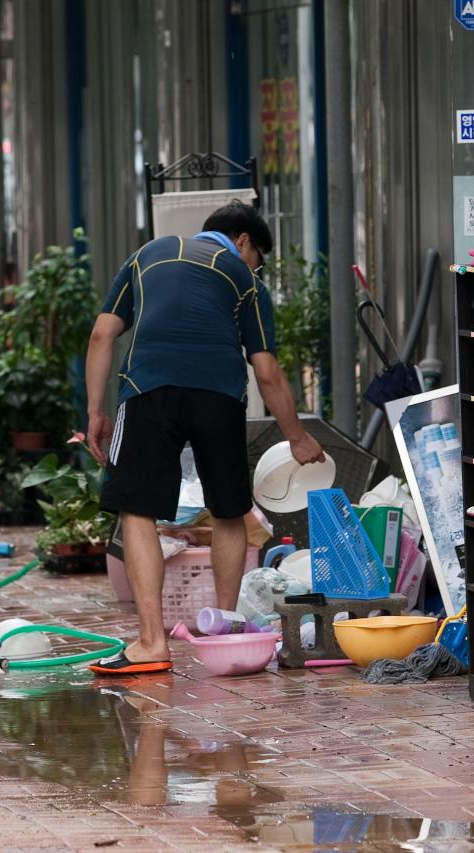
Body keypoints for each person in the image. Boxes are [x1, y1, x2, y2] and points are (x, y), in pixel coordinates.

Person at [84, 201, 324, 675]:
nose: (257, 265)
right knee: (229, 510)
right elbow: (267, 370)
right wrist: (296, 437)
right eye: (259, 255)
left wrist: (95, 411)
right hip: (218, 395)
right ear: (242, 242)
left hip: (147, 389)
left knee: (138, 510)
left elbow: (101, 335)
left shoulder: (146, 255)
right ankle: (225, 625)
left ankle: (152, 642)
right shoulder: (244, 278)